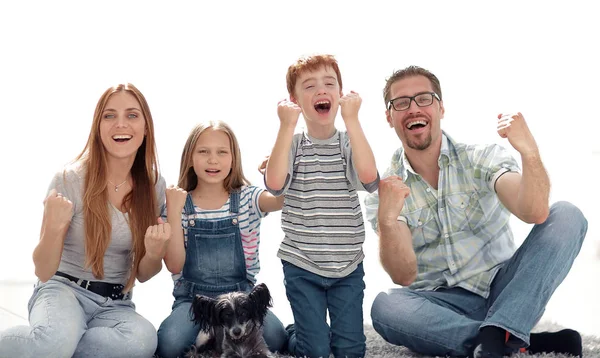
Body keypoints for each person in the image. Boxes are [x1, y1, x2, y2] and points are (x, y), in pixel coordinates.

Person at [364, 65, 588, 358]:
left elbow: (533, 212)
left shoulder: (481, 158)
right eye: (401, 103)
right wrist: (388, 219)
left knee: (567, 215)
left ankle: (499, 331)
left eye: (424, 99)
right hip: (441, 308)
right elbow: (404, 276)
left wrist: (529, 152)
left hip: (507, 292)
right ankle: (506, 338)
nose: (413, 109)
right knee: (385, 306)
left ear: (441, 107)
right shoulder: (386, 190)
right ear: (389, 116)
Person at [0, 83, 170, 358]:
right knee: (55, 343)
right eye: (109, 115)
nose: (120, 124)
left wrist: (154, 253)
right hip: (62, 290)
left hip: (116, 305)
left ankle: (55, 345)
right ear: (98, 126)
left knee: (143, 342)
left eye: (132, 115)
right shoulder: (69, 179)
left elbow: (143, 273)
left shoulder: (154, 186)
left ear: (146, 127)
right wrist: (54, 230)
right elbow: (43, 271)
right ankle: (52, 343)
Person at [264, 54, 379, 358]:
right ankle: (298, 336)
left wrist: (352, 120)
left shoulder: (347, 142)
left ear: (340, 95)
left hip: (347, 266)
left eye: (329, 84)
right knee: (314, 351)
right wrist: (285, 127)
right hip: (302, 264)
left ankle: (307, 331)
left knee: (350, 350)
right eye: (309, 86)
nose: (321, 91)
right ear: (295, 100)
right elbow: (274, 184)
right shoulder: (292, 143)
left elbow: (369, 180)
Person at [155, 120, 288, 358]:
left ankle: (304, 331)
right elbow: (174, 265)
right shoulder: (177, 204)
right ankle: (214, 337)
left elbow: (281, 199)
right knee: (170, 344)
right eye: (203, 151)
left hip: (243, 297)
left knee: (277, 338)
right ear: (189, 157)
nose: (213, 159)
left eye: (222, 152)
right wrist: (173, 213)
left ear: (233, 158)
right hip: (193, 300)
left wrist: (276, 173)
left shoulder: (248, 198)